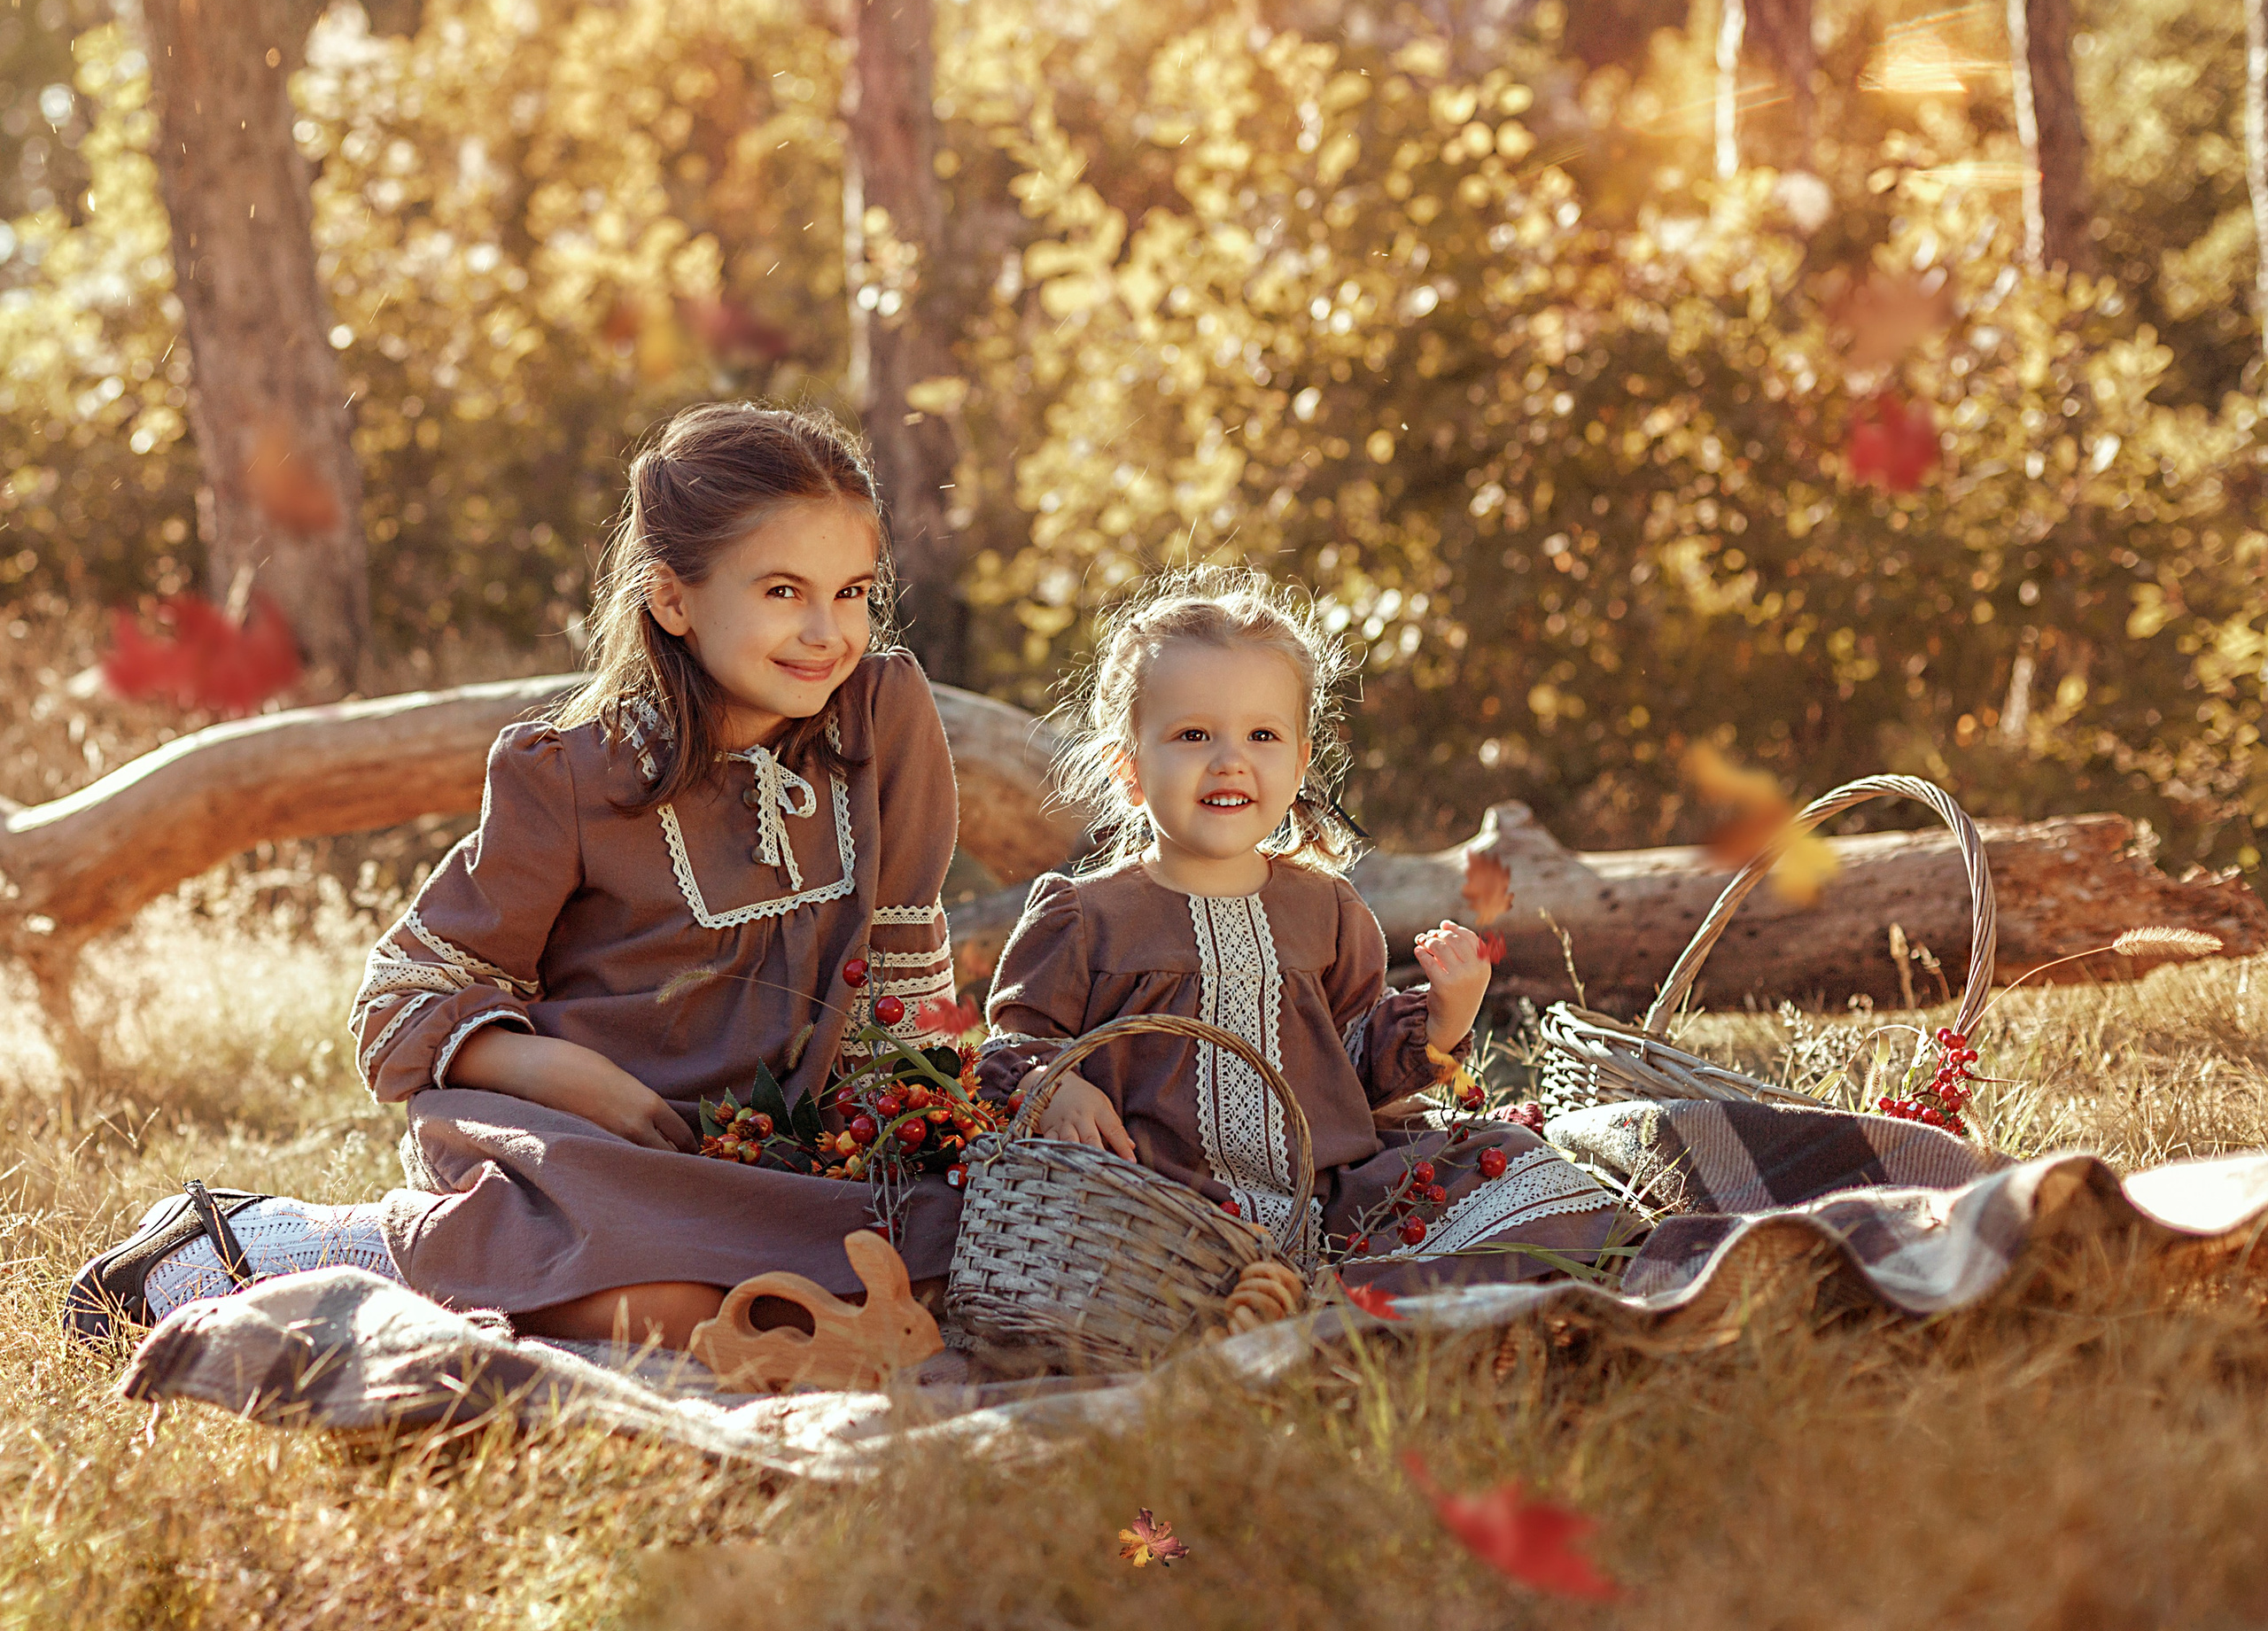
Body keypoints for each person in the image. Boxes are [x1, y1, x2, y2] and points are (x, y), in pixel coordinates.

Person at [68, 403, 961, 1349]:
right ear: (672, 600)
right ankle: (290, 1246)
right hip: (593, 1149)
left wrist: (913, 1122)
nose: (827, 632)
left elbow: (902, 962)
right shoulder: (571, 777)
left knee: (932, 1263)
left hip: (786, 1148)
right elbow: (399, 999)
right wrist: (563, 1073)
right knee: (670, 1306)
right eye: (783, 591)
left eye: (852, 591)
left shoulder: (882, 718)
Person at [975, 569, 1626, 1288]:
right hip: (1156, 1207)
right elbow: (1012, 1049)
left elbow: (1358, 1064)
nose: (1231, 759)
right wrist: (1055, 1085)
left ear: (1299, 762)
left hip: (1336, 1201)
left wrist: (1448, 1013)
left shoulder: (1327, 910)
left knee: (1512, 1159)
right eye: (1193, 734)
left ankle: (1382, 1286)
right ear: (1127, 767)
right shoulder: (1083, 916)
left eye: (1262, 734)